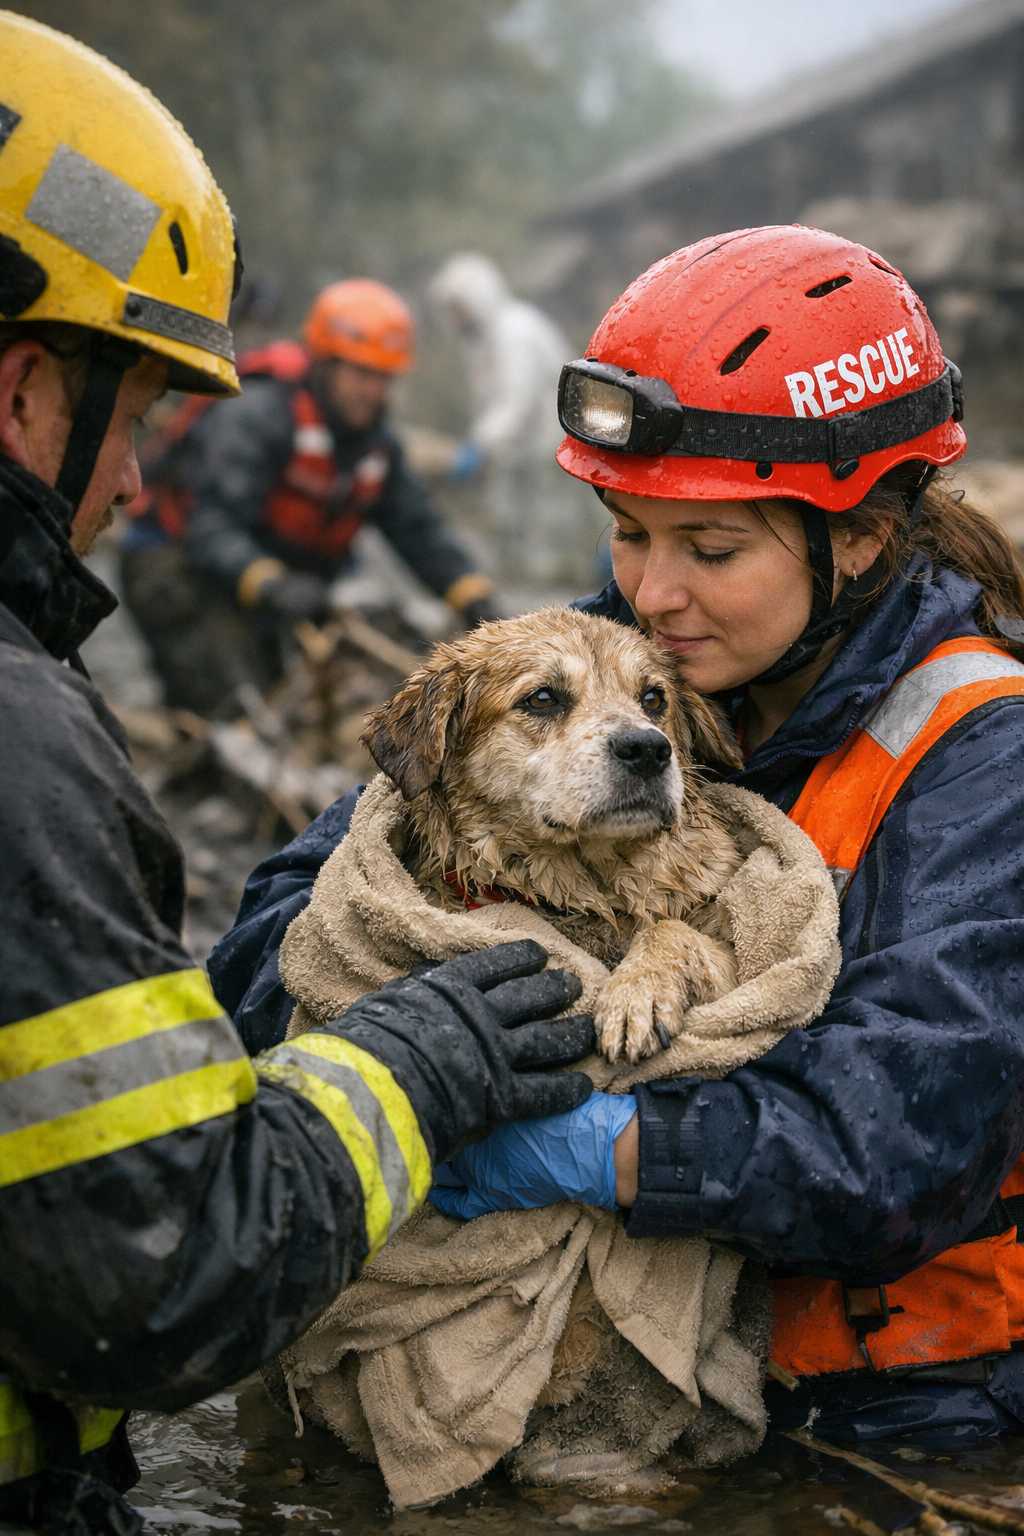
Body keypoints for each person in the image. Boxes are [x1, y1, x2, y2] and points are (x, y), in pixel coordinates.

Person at [216, 225, 1024, 1449]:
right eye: (627, 530)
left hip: (909, 1400)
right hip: (625, 1349)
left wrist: (603, 1145)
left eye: (708, 548)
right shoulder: (631, 648)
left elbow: (894, 1145)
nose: (649, 594)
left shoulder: (985, 755)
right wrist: (416, 1037)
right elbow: (283, 925)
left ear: (855, 538)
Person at [0, 17, 594, 1533]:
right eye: (129, 418)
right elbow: (158, 1287)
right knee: (214, 658)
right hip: (224, 598)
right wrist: (412, 1055)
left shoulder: (377, 446)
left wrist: (483, 615)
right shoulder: (28, 738)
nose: (130, 476)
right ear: (20, 398)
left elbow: (418, 538)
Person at [120, 277, 497, 717]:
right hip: (176, 564)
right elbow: (212, 528)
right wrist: (272, 583)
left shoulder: (374, 446)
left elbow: (419, 532)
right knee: (236, 709)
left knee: (278, 705)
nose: (372, 390)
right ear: (324, 363)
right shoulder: (258, 415)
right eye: (360, 373)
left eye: (383, 376)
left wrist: (474, 598)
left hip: (263, 585)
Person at [429, 251, 597, 586]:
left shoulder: (514, 331)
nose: (456, 316)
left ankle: (552, 604)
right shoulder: (485, 339)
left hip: (551, 448)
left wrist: (481, 445)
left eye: (459, 306)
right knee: (516, 533)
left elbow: (515, 399)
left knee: (550, 536)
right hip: (524, 452)